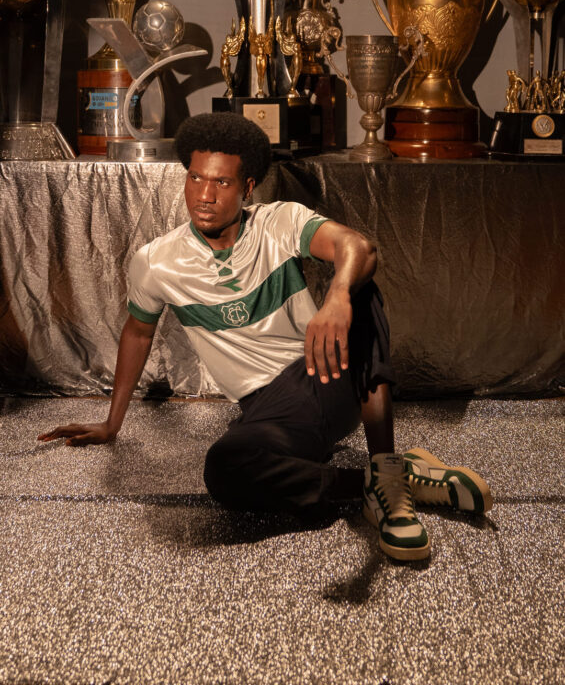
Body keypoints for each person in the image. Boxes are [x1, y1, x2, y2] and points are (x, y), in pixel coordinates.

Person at [38, 113, 492, 562]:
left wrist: (337, 295)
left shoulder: (279, 222)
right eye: (195, 178)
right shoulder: (157, 262)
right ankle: (376, 483)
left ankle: (387, 471)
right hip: (269, 412)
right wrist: (112, 423)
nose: (204, 195)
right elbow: (138, 333)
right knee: (224, 468)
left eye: (222, 182)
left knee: (360, 286)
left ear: (248, 187)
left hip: (325, 373)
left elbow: (359, 247)